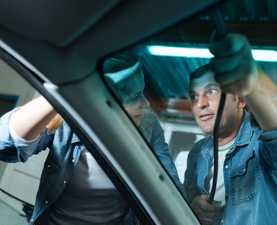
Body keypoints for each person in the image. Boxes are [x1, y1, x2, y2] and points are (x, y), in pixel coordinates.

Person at [0, 52, 184, 224]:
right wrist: (62, 92)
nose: (146, 103)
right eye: (135, 96)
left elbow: (171, 187)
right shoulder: (66, 122)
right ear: (103, 100)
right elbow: (5, 146)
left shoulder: (149, 124)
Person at [184, 33, 277, 225]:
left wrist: (251, 79)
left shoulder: (262, 145)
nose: (200, 104)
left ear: (240, 99)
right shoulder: (197, 153)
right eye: (194, 96)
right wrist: (192, 208)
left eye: (211, 91)